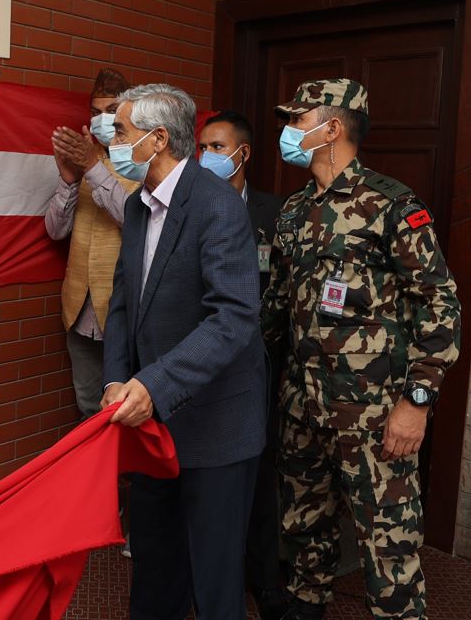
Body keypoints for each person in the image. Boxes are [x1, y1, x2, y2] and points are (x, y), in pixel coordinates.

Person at [260, 79, 461, 620]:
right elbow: (274, 311)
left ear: (332, 129)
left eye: (297, 121)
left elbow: (439, 306)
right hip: (303, 411)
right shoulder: (294, 211)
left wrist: (416, 402)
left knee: (389, 550)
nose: (288, 131)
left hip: (374, 417)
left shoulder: (391, 205)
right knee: (303, 536)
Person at [101, 84, 267, 619]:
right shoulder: (136, 205)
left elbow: (233, 316)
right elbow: (123, 302)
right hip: (154, 426)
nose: (112, 142)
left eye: (121, 132)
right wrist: (115, 379)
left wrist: (153, 385)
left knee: (214, 581)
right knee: (155, 568)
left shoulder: (217, 205)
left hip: (216, 426)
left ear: (157, 139)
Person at [199, 111, 288, 620]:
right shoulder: (192, 207)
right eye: (203, 147)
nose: (207, 156)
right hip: (210, 364)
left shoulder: (275, 213)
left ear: (243, 152)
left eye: (217, 147)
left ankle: (265, 580)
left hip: (262, 364)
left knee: (261, 472)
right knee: (218, 481)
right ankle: (217, 580)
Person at [45, 68, 138, 419]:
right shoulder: (84, 161)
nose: (101, 120)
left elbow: (135, 221)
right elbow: (56, 231)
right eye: (95, 112)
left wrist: (93, 168)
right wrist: (70, 180)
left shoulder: (142, 163)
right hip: (80, 309)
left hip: (122, 310)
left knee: (126, 410)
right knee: (88, 408)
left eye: (111, 111)